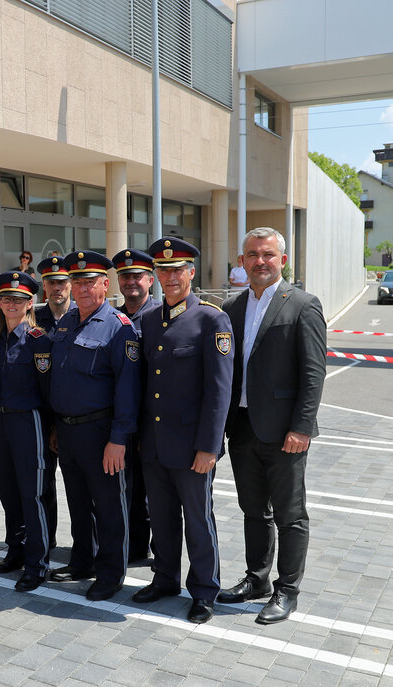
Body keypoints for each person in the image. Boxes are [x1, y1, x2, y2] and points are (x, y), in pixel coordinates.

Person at [218, 227, 326, 624]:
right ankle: (257, 579)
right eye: (252, 255)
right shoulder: (231, 306)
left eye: (267, 254)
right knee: (253, 510)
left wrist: (302, 427)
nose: (259, 261)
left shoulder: (302, 304)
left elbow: (313, 372)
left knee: (290, 514)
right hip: (242, 426)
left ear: (282, 259)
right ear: (242, 261)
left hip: (285, 433)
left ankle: (287, 590)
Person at [131, 238, 233, 624]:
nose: (170, 277)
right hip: (154, 444)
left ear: (191, 273)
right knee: (161, 518)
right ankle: (165, 579)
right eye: (163, 270)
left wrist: (209, 446)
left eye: (178, 270)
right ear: (156, 275)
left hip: (193, 447)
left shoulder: (211, 319)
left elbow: (219, 390)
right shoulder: (149, 320)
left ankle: (204, 590)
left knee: (198, 520)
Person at [48, 250, 140, 602]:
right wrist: (56, 426)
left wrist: (118, 440)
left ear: (105, 284)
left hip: (102, 433)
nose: (83, 289)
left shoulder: (119, 327)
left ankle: (111, 574)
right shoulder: (67, 322)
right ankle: (82, 562)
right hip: (68, 431)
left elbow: (127, 390)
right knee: (77, 501)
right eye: (78, 282)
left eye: (90, 282)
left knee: (109, 506)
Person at [0, 271, 53, 592]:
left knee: (32, 494)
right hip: (0, 423)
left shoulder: (39, 340)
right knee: (6, 489)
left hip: (29, 422)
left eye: (19, 299)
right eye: (6, 299)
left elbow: (47, 389)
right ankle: (16, 550)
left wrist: (50, 429)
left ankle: (37, 564)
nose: (12, 304)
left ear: (30, 303)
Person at [111, 248, 160, 564]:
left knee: (155, 490)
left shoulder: (159, 317)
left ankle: (160, 553)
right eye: (125, 276)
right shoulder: (114, 318)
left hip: (153, 419)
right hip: (121, 417)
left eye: (137, 276)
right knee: (125, 486)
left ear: (150, 280)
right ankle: (134, 545)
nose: (131, 282)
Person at [34, 255, 73, 332]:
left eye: (61, 282)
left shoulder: (82, 318)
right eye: (51, 283)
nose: (56, 288)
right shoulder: (33, 321)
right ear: (44, 285)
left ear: (71, 284)